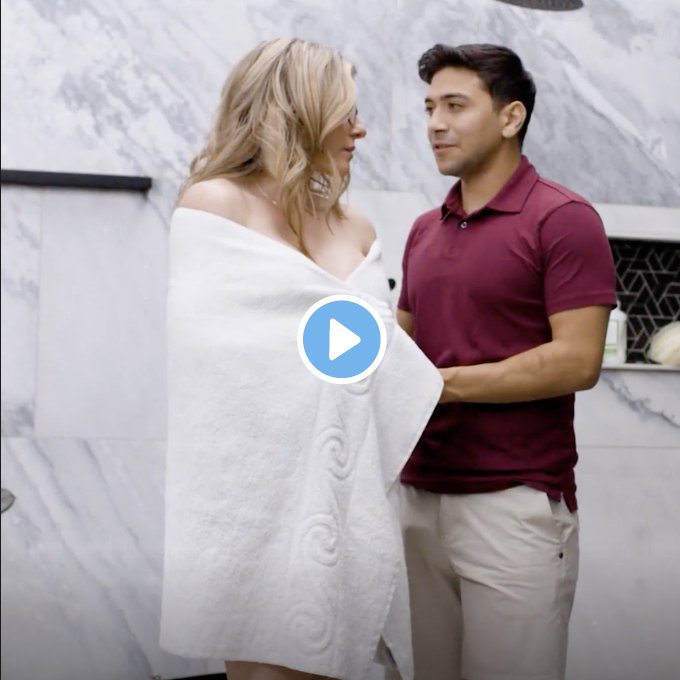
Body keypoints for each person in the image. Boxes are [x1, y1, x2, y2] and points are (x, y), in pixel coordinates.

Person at [159, 38, 442, 680]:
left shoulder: (356, 228)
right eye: (347, 113)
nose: (360, 130)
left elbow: (374, 353)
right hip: (254, 501)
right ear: (299, 110)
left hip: (343, 492)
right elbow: (215, 360)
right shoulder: (215, 205)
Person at [396, 43, 617, 680]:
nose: (435, 124)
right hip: (418, 499)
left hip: (514, 507)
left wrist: (442, 386)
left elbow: (577, 360)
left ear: (511, 117)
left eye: (455, 106)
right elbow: (401, 350)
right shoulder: (424, 229)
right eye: (429, 108)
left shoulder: (564, 219)